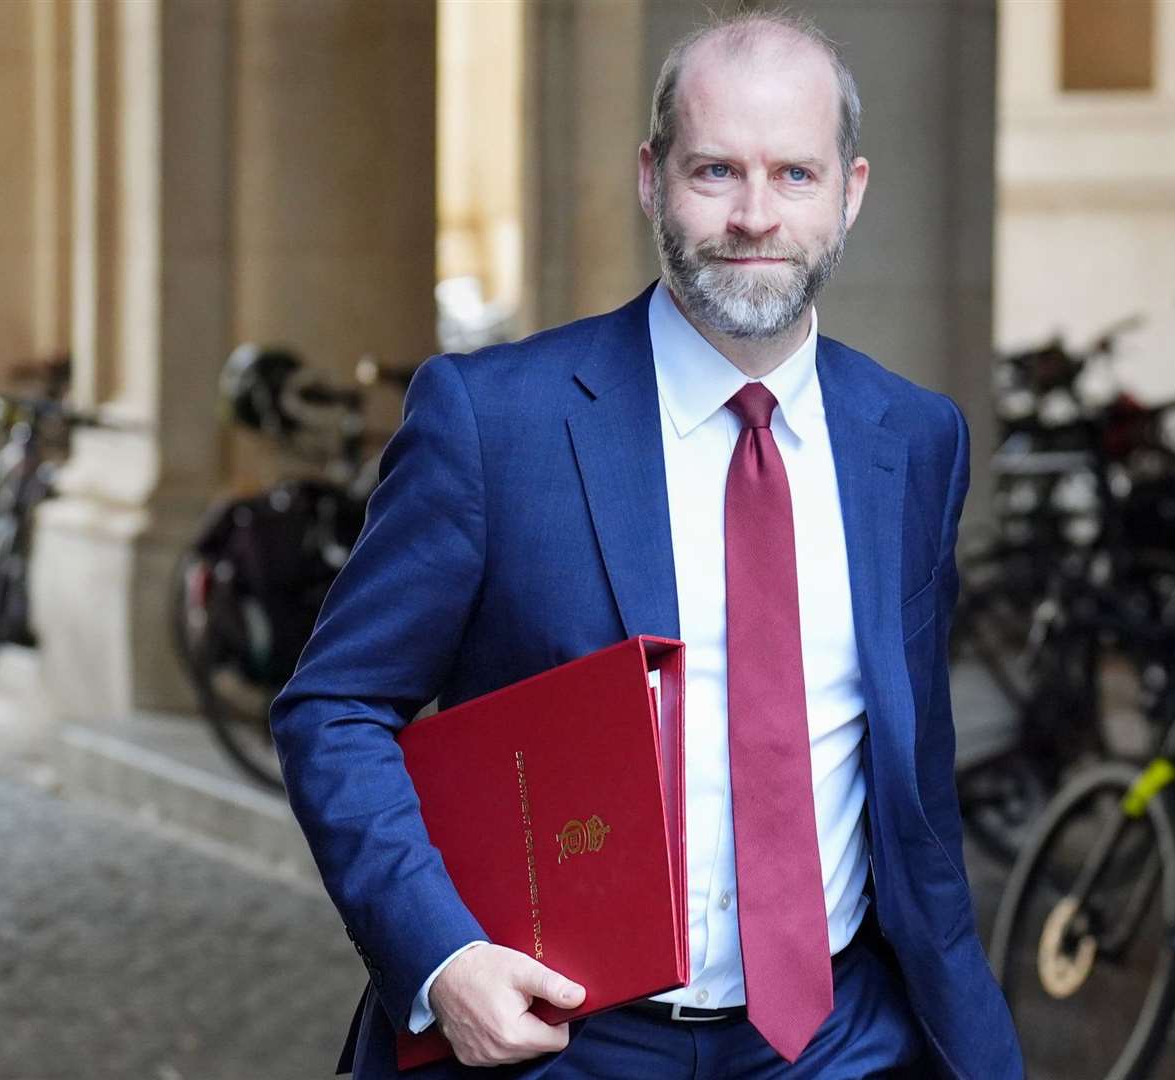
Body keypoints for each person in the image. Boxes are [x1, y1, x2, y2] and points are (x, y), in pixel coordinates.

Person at [270, 9, 1022, 1080]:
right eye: (714, 170)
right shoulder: (493, 423)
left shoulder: (912, 439)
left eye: (794, 176)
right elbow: (334, 709)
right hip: (568, 1043)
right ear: (650, 177)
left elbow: (907, 765)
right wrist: (441, 960)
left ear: (849, 192)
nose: (754, 216)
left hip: (840, 1037)